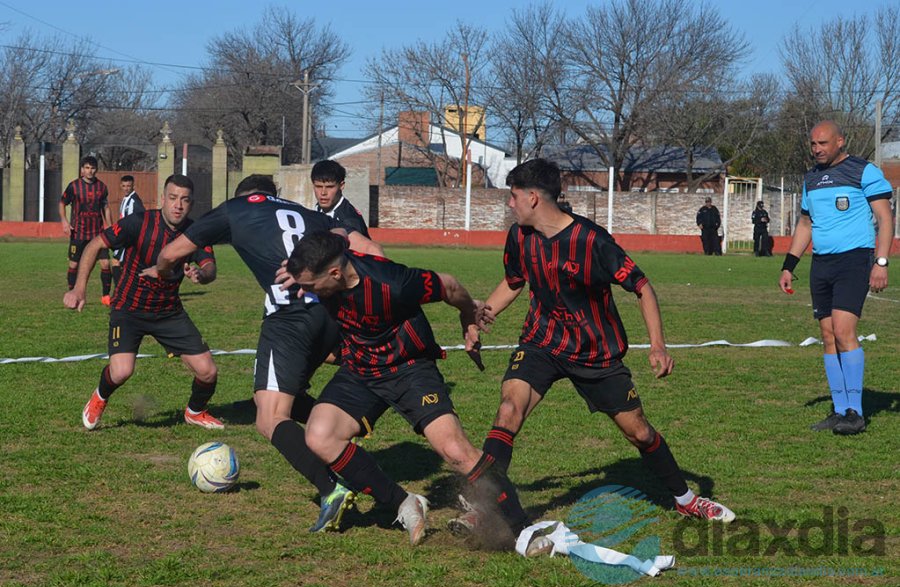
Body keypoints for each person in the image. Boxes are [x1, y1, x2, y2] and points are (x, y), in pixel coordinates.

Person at [476, 158, 735, 523]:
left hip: (595, 353)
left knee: (639, 433)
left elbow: (642, 287)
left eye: (513, 196)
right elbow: (514, 281)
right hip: (542, 342)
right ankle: (484, 505)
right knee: (508, 410)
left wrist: (658, 345)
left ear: (533, 198)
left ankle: (685, 498)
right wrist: (481, 316)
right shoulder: (520, 236)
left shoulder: (591, 240)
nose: (509, 203)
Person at [285, 231, 551, 556]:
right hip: (361, 369)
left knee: (455, 451)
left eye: (310, 286)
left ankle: (522, 530)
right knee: (319, 436)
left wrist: (469, 314)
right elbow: (337, 232)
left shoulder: (392, 283)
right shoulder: (322, 272)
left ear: (336, 273)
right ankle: (404, 502)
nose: (305, 291)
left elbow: (449, 285)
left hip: (410, 369)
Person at [155, 174, 384, 533]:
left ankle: (332, 488)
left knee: (269, 417)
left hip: (291, 321)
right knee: (286, 397)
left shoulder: (235, 210)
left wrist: (163, 271)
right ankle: (346, 431)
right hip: (331, 317)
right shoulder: (305, 211)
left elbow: (171, 252)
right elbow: (371, 251)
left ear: (244, 197)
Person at [63, 174, 224, 431]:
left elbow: (210, 269)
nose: (178, 205)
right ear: (163, 199)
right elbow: (95, 244)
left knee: (208, 372)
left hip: (168, 313)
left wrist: (200, 275)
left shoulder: (196, 232)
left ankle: (195, 411)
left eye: (184, 200)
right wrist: (79, 288)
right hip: (129, 310)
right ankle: (100, 396)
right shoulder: (139, 222)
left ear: (191, 204)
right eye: (172, 198)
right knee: (121, 372)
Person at [779, 120, 894, 435]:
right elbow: (805, 224)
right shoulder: (811, 179)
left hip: (854, 261)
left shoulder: (863, 171)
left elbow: (885, 217)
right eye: (813, 144)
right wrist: (789, 265)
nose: (817, 149)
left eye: (823, 143)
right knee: (828, 335)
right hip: (822, 264)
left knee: (844, 331)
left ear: (840, 142)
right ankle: (840, 408)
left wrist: (881, 262)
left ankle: (856, 412)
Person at [59, 156, 113, 305]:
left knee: (105, 264)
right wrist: (64, 221)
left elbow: (106, 207)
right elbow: (62, 203)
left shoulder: (102, 187)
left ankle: (106, 297)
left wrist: (109, 225)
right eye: (87, 168)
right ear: (82, 169)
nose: (89, 171)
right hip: (79, 233)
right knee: (74, 265)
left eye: (92, 168)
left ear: (96, 170)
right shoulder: (74, 186)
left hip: (98, 234)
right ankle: (72, 292)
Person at [311, 159, 370, 237]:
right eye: (318, 186)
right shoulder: (318, 208)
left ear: (341, 186)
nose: (323, 192)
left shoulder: (349, 221)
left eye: (330, 187)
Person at [111, 175, 145, 287]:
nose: (126, 188)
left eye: (128, 186)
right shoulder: (126, 199)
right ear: (121, 186)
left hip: (128, 239)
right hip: (123, 236)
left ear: (133, 186)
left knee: (118, 262)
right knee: (124, 264)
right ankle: (124, 289)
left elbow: (141, 219)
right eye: (124, 186)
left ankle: (120, 290)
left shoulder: (135, 201)